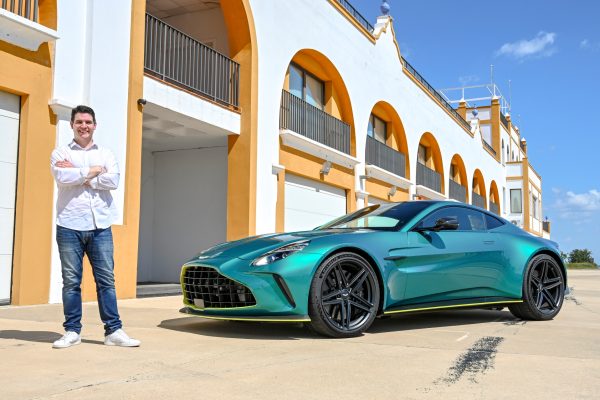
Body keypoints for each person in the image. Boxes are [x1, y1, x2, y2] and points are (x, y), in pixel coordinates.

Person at [50, 105, 140, 348]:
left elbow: (113, 180)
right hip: (69, 224)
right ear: (72, 125)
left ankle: (113, 332)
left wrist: (80, 173)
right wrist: (93, 171)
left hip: (100, 225)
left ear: (95, 125)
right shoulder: (60, 153)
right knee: (71, 281)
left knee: (106, 281)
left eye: (88, 122)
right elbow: (62, 178)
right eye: (79, 122)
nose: (84, 126)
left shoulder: (106, 153)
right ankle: (72, 331)